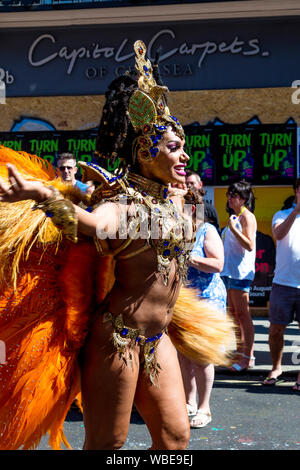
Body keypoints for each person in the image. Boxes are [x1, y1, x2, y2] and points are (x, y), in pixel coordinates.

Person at [0, 40, 233, 450]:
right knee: (108, 444)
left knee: (176, 440)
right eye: (174, 148)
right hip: (118, 338)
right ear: (145, 151)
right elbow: (88, 224)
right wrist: (40, 193)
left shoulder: (175, 201)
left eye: (184, 147)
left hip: (156, 340)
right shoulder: (122, 202)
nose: (184, 157)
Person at [179, 188, 227, 428]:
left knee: (201, 357)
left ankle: (204, 408)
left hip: (206, 300)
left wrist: (188, 258)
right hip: (183, 302)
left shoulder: (207, 230)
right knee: (183, 355)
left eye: (180, 207)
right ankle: (188, 402)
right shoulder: (175, 231)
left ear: (193, 209)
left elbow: (218, 264)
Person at [263, 178, 300, 389]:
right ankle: (276, 367)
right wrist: (296, 212)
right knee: (276, 331)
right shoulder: (283, 214)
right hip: (283, 284)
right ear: (296, 191)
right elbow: (278, 234)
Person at [221, 180, 257, 372]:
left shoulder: (247, 217)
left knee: (243, 315)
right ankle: (240, 353)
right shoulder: (236, 216)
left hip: (241, 273)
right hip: (229, 272)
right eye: (229, 194)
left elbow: (249, 245)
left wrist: (234, 229)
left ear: (243, 199)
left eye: (233, 195)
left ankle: (248, 356)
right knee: (234, 314)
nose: (229, 198)